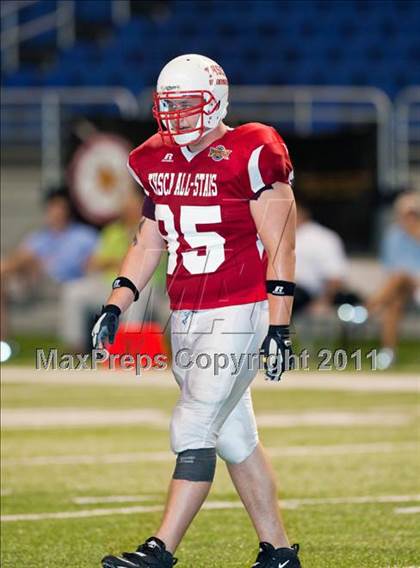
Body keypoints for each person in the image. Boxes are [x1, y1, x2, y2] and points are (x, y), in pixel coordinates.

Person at [92, 54, 301, 568]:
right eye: (168, 105)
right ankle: (278, 553)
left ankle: (160, 549)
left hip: (242, 307)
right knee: (233, 436)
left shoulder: (253, 148)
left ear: (216, 101)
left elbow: (281, 243)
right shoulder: (151, 158)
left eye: (187, 104)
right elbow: (149, 240)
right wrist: (117, 303)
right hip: (185, 311)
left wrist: (279, 325)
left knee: (194, 424)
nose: (176, 116)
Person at [60, 181, 167, 352]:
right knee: (74, 291)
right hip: (110, 285)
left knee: (133, 295)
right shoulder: (112, 231)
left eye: (133, 204)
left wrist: (113, 262)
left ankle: (125, 350)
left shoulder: (153, 229)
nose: (128, 208)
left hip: (147, 288)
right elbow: (92, 263)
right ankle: (75, 349)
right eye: (125, 205)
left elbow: (147, 263)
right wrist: (113, 262)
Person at [1, 187, 98, 340]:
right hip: (35, 281)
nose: (55, 212)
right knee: (18, 267)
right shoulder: (39, 237)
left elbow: (94, 265)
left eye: (59, 207)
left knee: (26, 261)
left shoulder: (84, 236)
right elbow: (21, 259)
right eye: (52, 207)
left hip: (66, 281)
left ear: (68, 210)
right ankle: (2, 340)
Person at [367, 191, 420, 367]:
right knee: (393, 304)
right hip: (400, 288)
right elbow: (389, 268)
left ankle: (366, 309)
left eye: (413, 214)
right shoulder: (393, 235)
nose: (409, 218)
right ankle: (388, 353)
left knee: (401, 276)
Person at [293, 200, 350, 316]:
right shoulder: (277, 236)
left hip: (302, 295)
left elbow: (335, 276)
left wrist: (323, 302)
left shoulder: (322, 238)